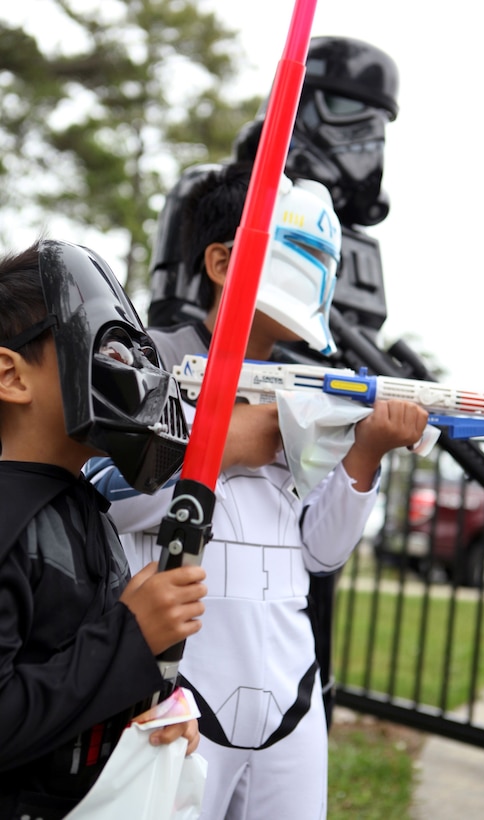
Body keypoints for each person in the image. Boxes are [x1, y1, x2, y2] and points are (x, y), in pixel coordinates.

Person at [88, 162, 429, 820]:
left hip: (290, 684)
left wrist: (363, 454)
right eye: (297, 255)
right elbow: (107, 494)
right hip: (178, 683)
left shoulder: (310, 391)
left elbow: (320, 553)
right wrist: (236, 443)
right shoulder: (150, 363)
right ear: (221, 260)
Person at [0, 238, 207, 819]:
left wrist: (162, 703)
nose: (128, 370)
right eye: (104, 348)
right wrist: (130, 636)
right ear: (10, 376)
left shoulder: (83, 506)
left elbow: (78, 667)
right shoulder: (11, 516)